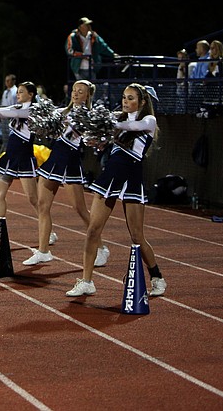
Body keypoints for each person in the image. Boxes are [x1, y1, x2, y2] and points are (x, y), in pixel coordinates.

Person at [67, 83, 167, 298]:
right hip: (111, 176)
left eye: (131, 98)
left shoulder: (148, 121)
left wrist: (110, 123)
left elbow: (131, 127)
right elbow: (100, 138)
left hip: (131, 177)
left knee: (137, 236)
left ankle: (157, 276)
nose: (125, 101)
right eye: (124, 97)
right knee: (93, 230)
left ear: (141, 102)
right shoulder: (118, 120)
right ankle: (86, 281)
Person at [24, 80, 109, 267]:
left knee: (80, 209)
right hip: (54, 160)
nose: (76, 94)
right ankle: (43, 251)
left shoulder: (88, 116)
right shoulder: (62, 112)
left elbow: (90, 135)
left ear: (88, 96)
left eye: (81, 92)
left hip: (69, 163)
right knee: (42, 205)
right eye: (74, 90)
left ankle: (102, 248)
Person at [0, 81, 39, 245]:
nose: (18, 94)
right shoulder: (17, 108)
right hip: (10, 156)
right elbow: (6, 111)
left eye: (21, 92)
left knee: (33, 198)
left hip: (24, 157)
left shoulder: (33, 110)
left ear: (31, 94)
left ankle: (47, 229)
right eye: (18, 92)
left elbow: (9, 113)